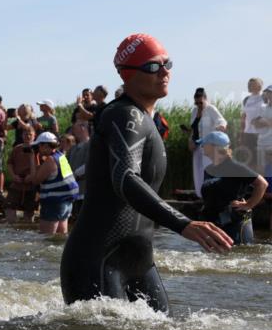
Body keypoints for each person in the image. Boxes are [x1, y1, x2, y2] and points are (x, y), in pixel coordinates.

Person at [61, 33, 233, 314]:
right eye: (152, 66)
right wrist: (184, 224)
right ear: (127, 75)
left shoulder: (146, 120)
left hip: (140, 260)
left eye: (167, 63)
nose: (164, 72)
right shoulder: (123, 115)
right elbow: (125, 178)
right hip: (99, 259)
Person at [198, 131, 267, 245]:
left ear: (214, 147)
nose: (201, 146)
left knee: (238, 259)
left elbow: (262, 184)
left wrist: (248, 204)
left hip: (235, 226)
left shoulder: (235, 167)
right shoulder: (209, 169)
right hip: (216, 225)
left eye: (204, 144)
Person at [29, 132, 78, 235]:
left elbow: (35, 180)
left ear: (46, 146)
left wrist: (31, 159)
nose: (37, 149)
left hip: (54, 203)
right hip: (66, 202)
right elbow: (43, 172)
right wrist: (36, 157)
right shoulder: (60, 156)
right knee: (60, 238)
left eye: (39, 146)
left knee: (46, 239)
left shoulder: (51, 161)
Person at [187, 87, 227, 198]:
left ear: (205, 99)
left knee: (208, 169)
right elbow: (193, 128)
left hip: (210, 146)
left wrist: (221, 127)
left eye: (201, 102)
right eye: (196, 103)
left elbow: (222, 120)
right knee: (198, 172)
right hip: (198, 146)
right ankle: (202, 196)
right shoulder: (194, 111)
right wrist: (190, 140)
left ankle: (211, 195)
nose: (199, 105)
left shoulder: (211, 109)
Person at [5, 125, 38, 223]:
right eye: (25, 134)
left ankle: (27, 232)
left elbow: (40, 166)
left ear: (34, 136)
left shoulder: (37, 149)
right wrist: (13, 176)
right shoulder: (17, 148)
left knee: (29, 212)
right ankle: (12, 229)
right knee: (9, 207)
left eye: (30, 134)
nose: (28, 136)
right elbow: (10, 163)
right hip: (17, 182)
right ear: (22, 135)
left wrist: (32, 176)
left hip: (31, 184)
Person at [65, 119, 91, 218]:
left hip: (85, 192)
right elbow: (67, 165)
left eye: (74, 128)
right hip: (73, 192)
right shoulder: (73, 148)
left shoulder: (91, 144)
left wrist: (74, 174)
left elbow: (90, 163)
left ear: (83, 128)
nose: (73, 131)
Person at [240, 77, 264, 173]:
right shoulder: (247, 99)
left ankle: (265, 185)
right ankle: (253, 185)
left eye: (252, 84)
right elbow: (244, 117)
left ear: (259, 86)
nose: (249, 86)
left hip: (261, 134)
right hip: (248, 134)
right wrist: (241, 134)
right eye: (249, 84)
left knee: (261, 161)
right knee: (250, 161)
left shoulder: (265, 97)